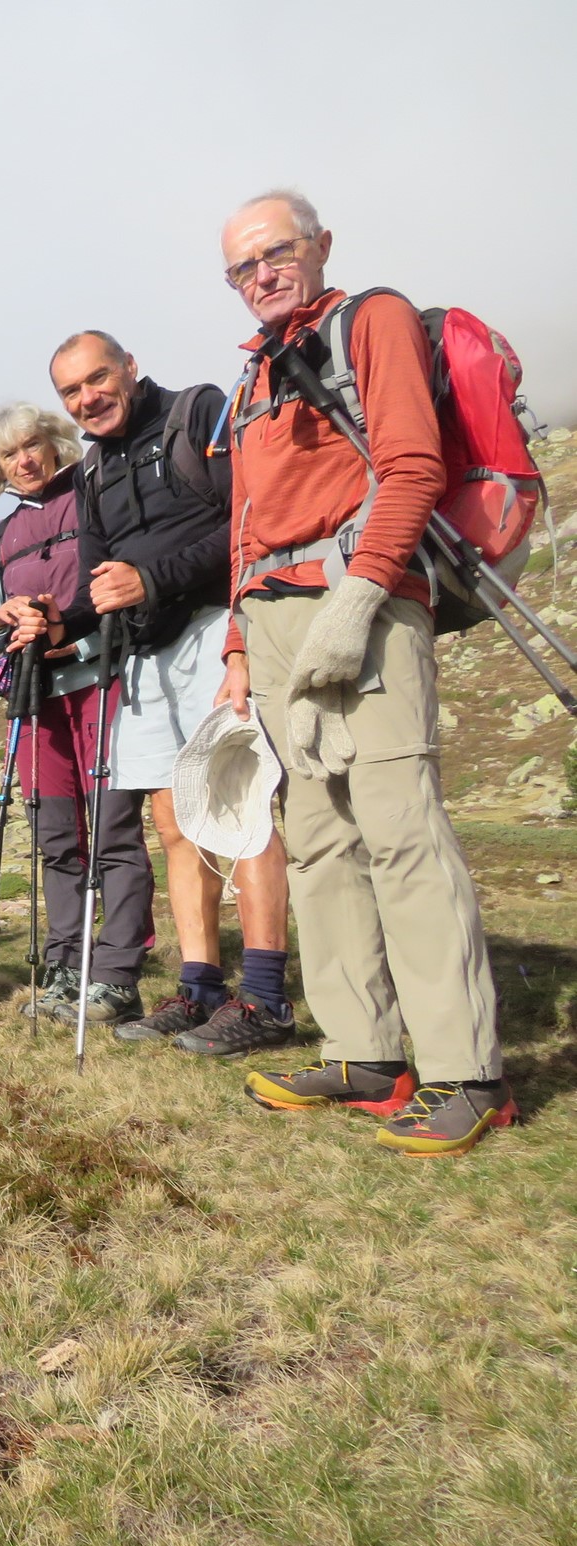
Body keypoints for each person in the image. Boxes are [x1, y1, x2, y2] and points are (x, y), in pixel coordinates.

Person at [218, 189, 510, 1155]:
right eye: (241, 268)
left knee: (397, 827)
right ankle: (362, 1051)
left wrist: (360, 598)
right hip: (269, 621)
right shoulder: (250, 381)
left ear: (318, 245)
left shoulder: (368, 319)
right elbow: (242, 531)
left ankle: (464, 1071)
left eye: (275, 253)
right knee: (316, 840)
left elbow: (411, 465)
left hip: (363, 597)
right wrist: (234, 653)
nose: (260, 275)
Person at [8, 331, 297, 1054]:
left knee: (244, 809)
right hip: (140, 653)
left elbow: (249, 522)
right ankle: (197, 990)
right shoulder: (92, 470)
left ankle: (263, 997)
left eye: (97, 378)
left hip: (212, 626)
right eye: (71, 391)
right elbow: (100, 585)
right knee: (172, 825)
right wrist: (52, 623)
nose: (87, 398)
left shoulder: (196, 414)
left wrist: (156, 580)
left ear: (129, 368)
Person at [0, 402, 143, 1015]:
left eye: (33, 444)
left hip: (101, 679)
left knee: (114, 830)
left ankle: (117, 974)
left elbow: (121, 584)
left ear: (54, 443)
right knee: (56, 837)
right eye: (9, 454)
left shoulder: (91, 494)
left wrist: (80, 635)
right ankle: (67, 967)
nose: (24, 460)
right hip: (36, 696)